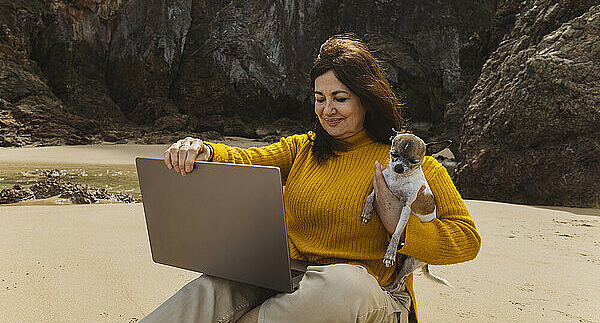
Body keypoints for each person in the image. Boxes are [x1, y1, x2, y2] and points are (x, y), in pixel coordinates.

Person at [145, 33, 481, 323]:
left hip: (372, 300)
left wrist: (402, 228)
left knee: (346, 283)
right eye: (320, 99)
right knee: (213, 287)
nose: (327, 110)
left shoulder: (411, 166)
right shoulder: (303, 148)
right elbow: (249, 159)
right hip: (287, 278)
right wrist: (204, 150)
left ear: (366, 99)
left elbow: (467, 239)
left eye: (340, 99)